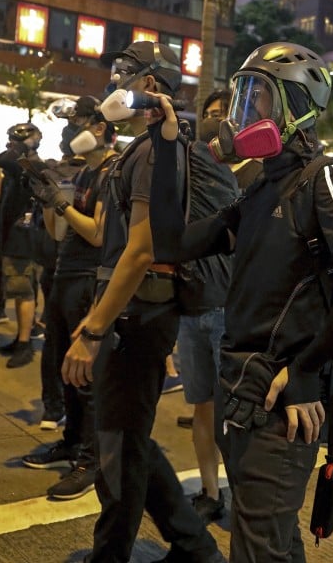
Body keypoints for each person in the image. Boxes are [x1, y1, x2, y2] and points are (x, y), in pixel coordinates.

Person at [145, 42, 333, 561]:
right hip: (238, 390)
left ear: (298, 106)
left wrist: (307, 371)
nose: (241, 115)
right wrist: (167, 144)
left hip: (277, 407)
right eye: (243, 97)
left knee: (257, 548)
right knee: (273, 544)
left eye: (257, 97)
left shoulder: (322, 177)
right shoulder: (261, 190)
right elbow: (171, 242)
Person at [61, 40, 222, 563]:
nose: (113, 85)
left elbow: (142, 249)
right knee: (129, 441)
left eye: (124, 75)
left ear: (151, 86)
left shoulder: (156, 150)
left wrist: (94, 330)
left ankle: (112, 555)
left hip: (137, 318)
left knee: (118, 450)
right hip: (130, 314)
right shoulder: (146, 147)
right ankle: (194, 546)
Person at [20, 95, 118, 500]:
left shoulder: (113, 173)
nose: (69, 130)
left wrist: (60, 203)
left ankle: (92, 459)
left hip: (91, 278)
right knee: (64, 365)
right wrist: (47, 194)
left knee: (87, 375)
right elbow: (60, 232)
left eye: (78, 122)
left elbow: (97, 233)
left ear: (99, 127)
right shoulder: (82, 174)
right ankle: (73, 441)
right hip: (65, 271)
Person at [175, 91, 239, 523]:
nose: (214, 121)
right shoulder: (190, 165)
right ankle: (210, 491)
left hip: (229, 311)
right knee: (202, 407)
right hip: (189, 310)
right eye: (209, 115)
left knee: (235, 414)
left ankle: (245, 496)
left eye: (223, 116)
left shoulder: (253, 172)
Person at [0, 123, 46, 369]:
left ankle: (24, 343)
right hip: (14, 239)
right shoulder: (24, 165)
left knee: (23, 290)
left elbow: (1, 158)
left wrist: (20, 147)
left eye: (15, 139)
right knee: (19, 289)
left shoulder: (29, 165)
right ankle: (21, 337)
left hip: (22, 241)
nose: (10, 143)